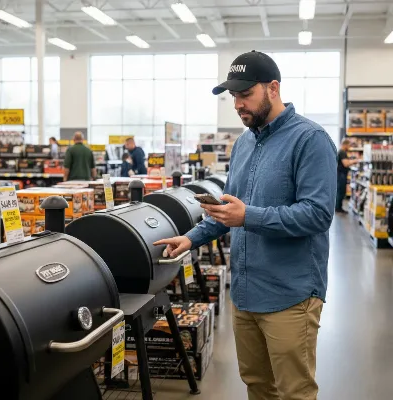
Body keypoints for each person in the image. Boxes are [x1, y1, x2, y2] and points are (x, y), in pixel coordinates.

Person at [154, 50, 337, 400]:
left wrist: (248, 216)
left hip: (291, 294)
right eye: (234, 96)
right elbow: (228, 209)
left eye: (245, 94)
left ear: (273, 88)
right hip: (245, 292)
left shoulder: (309, 140)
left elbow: (317, 214)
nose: (238, 104)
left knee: (294, 391)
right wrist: (191, 239)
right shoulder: (243, 143)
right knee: (257, 386)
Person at [336, 138, 360, 213]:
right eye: (349, 145)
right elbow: (346, 164)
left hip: (341, 174)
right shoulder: (342, 152)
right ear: (345, 145)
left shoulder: (341, 152)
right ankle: (338, 208)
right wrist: (355, 161)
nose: (349, 147)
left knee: (340, 191)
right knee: (341, 191)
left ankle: (338, 207)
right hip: (341, 175)